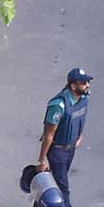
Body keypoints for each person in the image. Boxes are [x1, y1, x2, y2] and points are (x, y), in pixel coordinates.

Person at [34, 68, 90, 198]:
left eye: (87, 82)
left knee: (54, 182)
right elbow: (49, 134)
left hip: (70, 149)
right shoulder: (58, 105)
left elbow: (81, 118)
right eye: (83, 83)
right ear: (73, 85)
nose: (87, 85)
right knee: (62, 187)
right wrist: (42, 160)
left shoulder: (83, 98)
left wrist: (79, 136)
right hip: (58, 151)